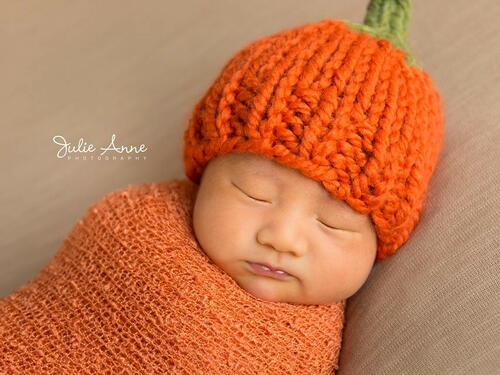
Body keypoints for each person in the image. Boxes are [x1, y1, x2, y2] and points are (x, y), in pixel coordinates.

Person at [0, 0, 444, 373]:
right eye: (255, 193)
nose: (281, 238)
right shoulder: (133, 224)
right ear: (203, 175)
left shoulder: (303, 348)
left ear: (381, 243)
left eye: (333, 223)